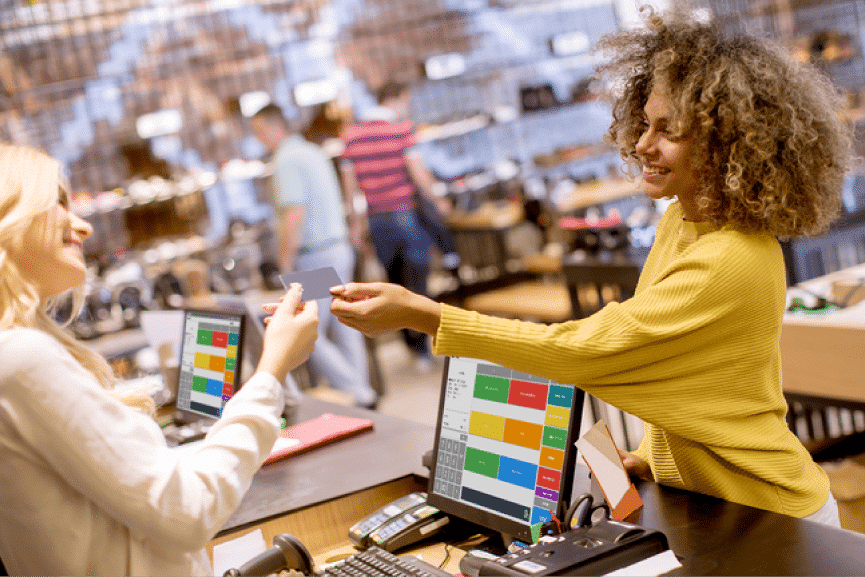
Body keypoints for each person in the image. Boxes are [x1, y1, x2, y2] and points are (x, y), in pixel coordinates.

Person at [329, 11, 852, 525]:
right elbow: (695, 380)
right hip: (714, 507)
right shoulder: (682, 221)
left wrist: (427, 316)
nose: (642, 144)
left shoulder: (731, 258)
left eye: (668, 130)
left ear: (725, 142)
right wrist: (653, 457)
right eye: (645, 123)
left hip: (773, 516)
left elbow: (583, 352)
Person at [0, 144, 319, 575]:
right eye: (56, 203)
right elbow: (187, 513)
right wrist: (272, 370)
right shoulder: (22, 358)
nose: (83, 226)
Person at [251, 104, 377, 408]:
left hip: (315, 255)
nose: (259, 139)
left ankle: (359, 394)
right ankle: (361, 393)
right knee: (346, 323)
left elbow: (294, 213)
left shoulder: (286, 160)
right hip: (337, 247)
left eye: (258, 132)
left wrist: (283, 259)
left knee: (306, 331)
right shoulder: (311, 151)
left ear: (272, 127)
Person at [340, 82, 458, 371]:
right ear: (396, 99)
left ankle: (412, 346)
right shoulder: (402, 130)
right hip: (405, 214)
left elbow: (350, 189)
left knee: (392, 285)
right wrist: (439, 201)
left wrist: (355, 227)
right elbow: (418, 173)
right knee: (418, 286)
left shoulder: (351, 137)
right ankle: (428, 345)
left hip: (377, 219)